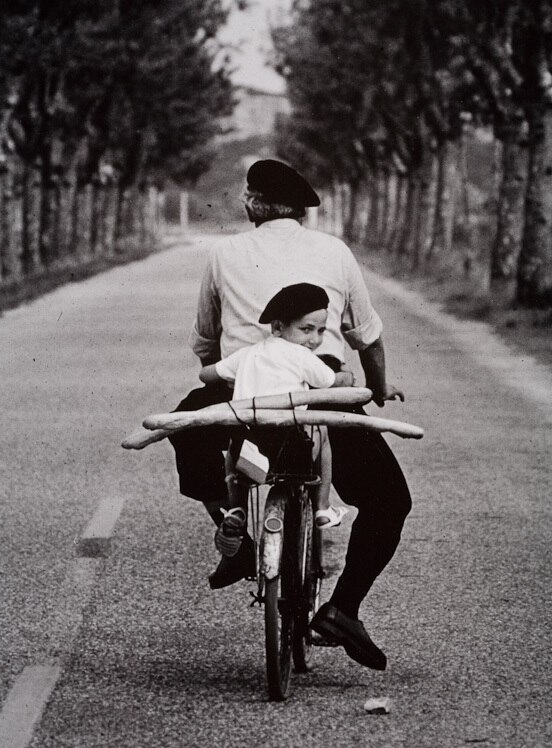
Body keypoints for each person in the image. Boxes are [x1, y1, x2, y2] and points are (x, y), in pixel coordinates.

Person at [170, 158, 412, 671]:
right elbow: (366, 334)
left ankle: (234, 533)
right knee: (389, 501)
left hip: (247, 396)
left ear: (252, 204)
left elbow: (205, 345)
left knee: (188, 428)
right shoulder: (335, 251)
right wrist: (376, 389)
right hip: (321, 396)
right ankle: (343, 610)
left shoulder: (224, 252)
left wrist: (235, 371)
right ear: (302, 209)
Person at [198, 282, 351, 556]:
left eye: (320, 331)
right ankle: (323, 507)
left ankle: (238, 509)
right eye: (306, 329)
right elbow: (329, 382)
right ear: (278, 327)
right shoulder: (302, 356)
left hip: (250, 447)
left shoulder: (247, 354)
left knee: (235, 447)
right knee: (322, 431)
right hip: (293, 445)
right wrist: (346, 378)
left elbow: (206, 375)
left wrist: (235, 376)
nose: (314, 339)